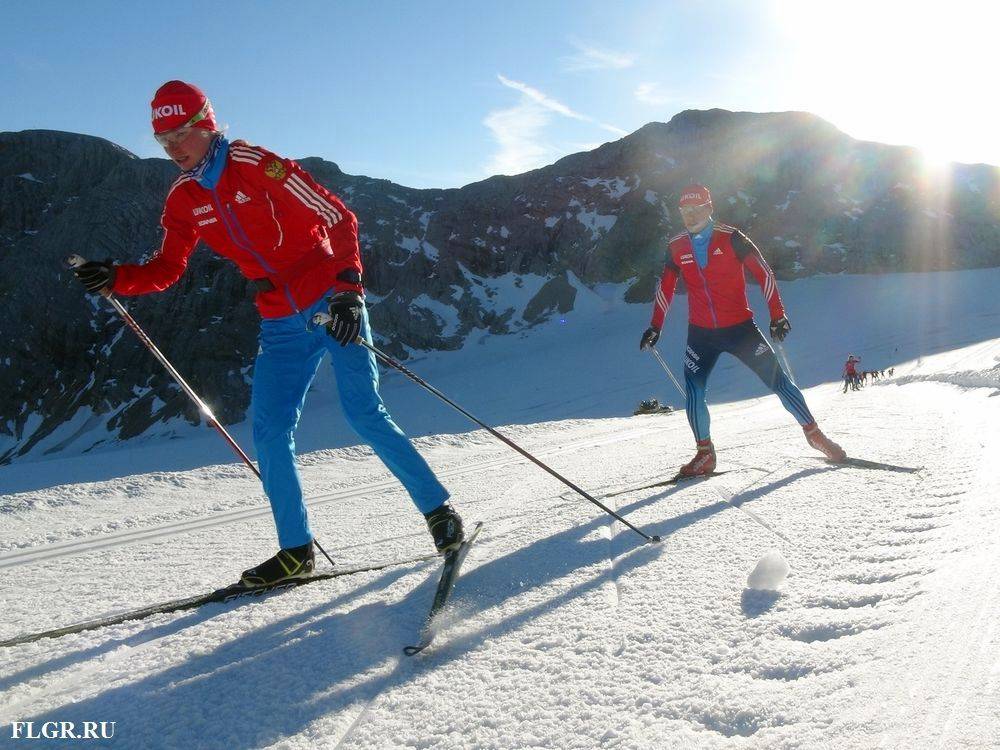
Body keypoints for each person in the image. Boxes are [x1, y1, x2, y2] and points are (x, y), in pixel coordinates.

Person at [73, 81, 463, 587]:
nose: (172, 146)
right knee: (270, 430)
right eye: (162, 137)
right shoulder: (183, 198)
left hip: (330, 299)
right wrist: (117, 277)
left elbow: (337, 216)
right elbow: (168, 268)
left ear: (206, 125)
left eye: (180, 132)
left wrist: (348, 288)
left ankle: (438, 512)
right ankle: (296, 550)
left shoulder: (256, 164)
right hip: (279, 318)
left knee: (363, 412)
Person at [639, 184, 846, 475]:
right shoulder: (676, 246)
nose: (690, 216)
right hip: (700, 334)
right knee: (694, 391)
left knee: (779, 382)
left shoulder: (732, 238)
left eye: (696, 209)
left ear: (709, 208)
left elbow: (764, 273)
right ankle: (704, 454)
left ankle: (815, 435)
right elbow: (666, 286)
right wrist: (655, 326)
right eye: (684, 211)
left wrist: (778, 315)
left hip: (740, 329)